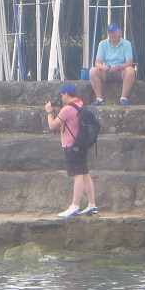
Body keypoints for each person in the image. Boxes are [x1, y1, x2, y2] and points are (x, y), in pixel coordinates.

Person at [45, 83, 98, 218]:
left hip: (70, 145)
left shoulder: (67, 109)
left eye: (61, 95)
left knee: (77, 175)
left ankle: (74, 206)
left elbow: (52, 126)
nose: (60, 97)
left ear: (66, 94)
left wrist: (49, 112)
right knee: (85, 173)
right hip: (81, 144)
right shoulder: (80, 103)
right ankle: (92, 204)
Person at [88, 22, 135, 106]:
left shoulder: (126, 44)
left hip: (121, 70)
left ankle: (123, 98)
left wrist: (118, 66)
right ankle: (99, 98)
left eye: (113, 32)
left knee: (130, 71)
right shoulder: (102, 44)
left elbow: (129, 62)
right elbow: (97, 62)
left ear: (119, 32)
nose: (111, 34)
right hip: (107, 71)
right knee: (92, 71)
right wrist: (104, 67)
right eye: (110, 32)